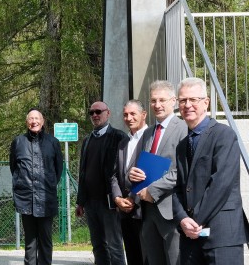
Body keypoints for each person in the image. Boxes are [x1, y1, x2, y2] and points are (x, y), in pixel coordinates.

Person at [172, 77, 249, 264]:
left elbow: (220, 184)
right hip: (190, 237)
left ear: (206, 103)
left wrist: (195, 220)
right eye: (182, 100)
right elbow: (177, 188)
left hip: (222, 236)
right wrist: (182, 219)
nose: (187, 105)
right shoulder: (182, 145)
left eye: (193, 100)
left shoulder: (224, 135)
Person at [129, 80, 187, 265]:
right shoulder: (148, 133)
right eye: (153, 100)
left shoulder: (184, 129)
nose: (157, 105)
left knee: (174, 260)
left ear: (174, 101)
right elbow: (143, 166)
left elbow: (182, 171)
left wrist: (152, 191)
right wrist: (133, 174)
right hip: (148, 211)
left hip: (170, 210)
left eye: (162, 100)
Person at [76, 101, 127, 265]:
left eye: (98, 111)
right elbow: (82, 173)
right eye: (91, 113)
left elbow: (124, 171)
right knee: (98, 246)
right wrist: (80, 202)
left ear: (108, 113)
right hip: (91, 203)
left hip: (110, 202)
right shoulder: (87, 140)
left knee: (114, 245)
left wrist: (120, 197)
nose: (95, 115)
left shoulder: (119, 137)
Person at [10, 108, 63, 265]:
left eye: (37, 118)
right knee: (30, 241)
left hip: (46, 199)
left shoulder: (53, 142)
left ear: (42, 121)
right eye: (31, 119)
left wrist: (49, 185)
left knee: (45, 240)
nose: (34, 121)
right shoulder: (18, 142)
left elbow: (58, 170)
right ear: (27, 122)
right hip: (26, 199)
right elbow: (14, 167)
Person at [110, 100, 147, 265]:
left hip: (145, 210)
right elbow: (114, 175)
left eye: (133, 114)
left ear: (143, 115)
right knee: (132, 257)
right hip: (125, 212)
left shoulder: (151, 138)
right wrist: (117, 198)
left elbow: (151, 174)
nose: (129, 118)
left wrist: (133, 198)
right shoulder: (123, 142)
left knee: (147, 257)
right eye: (125, 114)